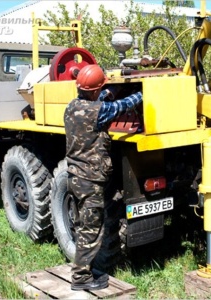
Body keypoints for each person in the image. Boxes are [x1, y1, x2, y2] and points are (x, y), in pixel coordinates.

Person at [64, 64, 143, 291]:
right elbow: (121, 106)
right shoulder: (98, 111)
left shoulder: (72, 107)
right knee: (91, 229)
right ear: (95, 91)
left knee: (83, 224)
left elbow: (104, 100)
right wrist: (143, 92)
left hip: (75, 177)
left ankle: (82, 271)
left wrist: (109, 91)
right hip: (90, 180)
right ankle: (80, 278)